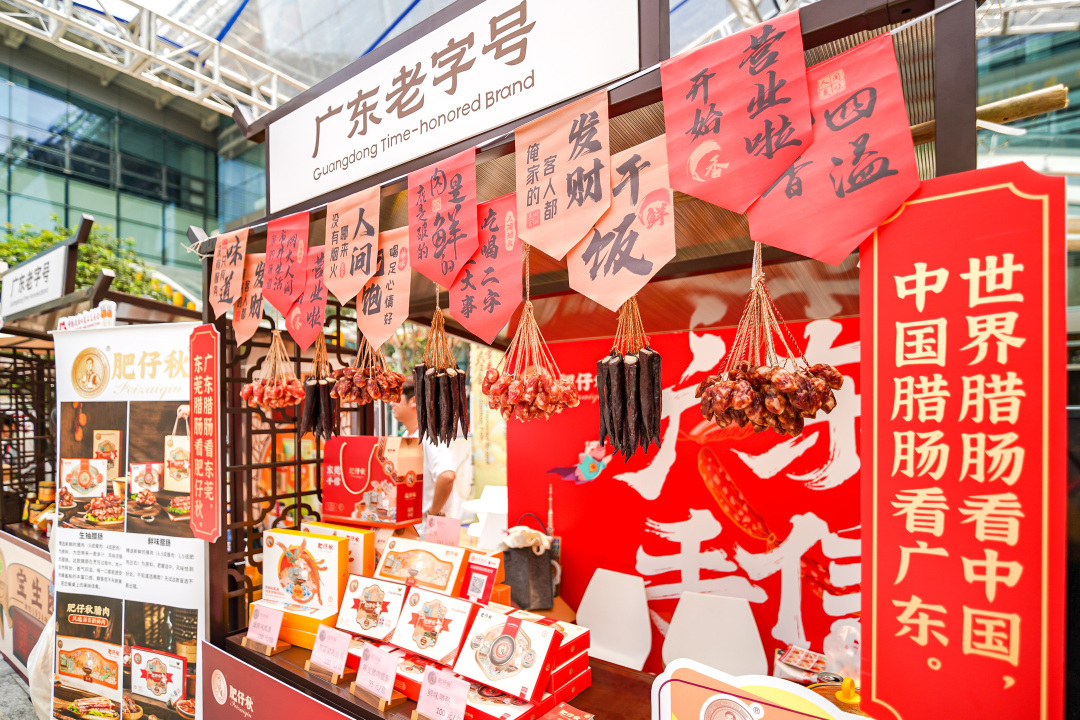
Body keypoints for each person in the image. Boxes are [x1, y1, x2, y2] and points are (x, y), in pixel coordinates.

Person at [391, 378, 473, 520]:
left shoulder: (430, 436)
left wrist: (433, 513)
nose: (391, 403)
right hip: (413, 522)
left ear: (413, 401)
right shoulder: (407, 435)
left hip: (429, 525)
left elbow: (447, 475)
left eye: (397, 397)